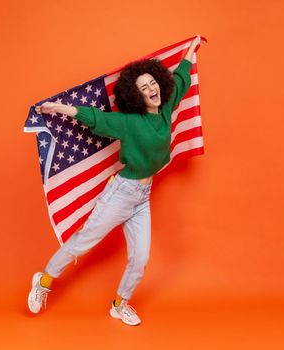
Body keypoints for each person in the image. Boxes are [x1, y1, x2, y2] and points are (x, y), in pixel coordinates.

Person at [29, 36, 204, 326]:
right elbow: (95, 118)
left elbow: (182, 78)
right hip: (121, 193)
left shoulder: (166, 108)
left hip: (142, 196)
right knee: (84, 242)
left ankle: (119, 304)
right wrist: (58, 108)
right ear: (136, 95)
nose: (152, 90)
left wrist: (192, 49)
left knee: (140, 259)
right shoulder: (129, 122)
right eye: (144, 88)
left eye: (153, 84)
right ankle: (43, 281)